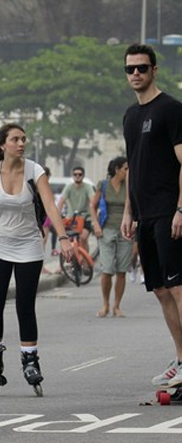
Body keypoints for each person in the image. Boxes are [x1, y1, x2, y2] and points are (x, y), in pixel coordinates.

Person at [0, 123, 72, 394]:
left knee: (24, 304)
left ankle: (30, 359)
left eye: (23, 139)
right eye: (15, 139)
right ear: (2, 145)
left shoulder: (36, 171)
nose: (21, 143)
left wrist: (64, 237)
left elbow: (49, 206)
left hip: (29, 246)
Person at [122, 43, 182, 387]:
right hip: (144, 215)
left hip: (168, 212)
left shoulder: (172, 109)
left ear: (154, 70)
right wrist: (128, 212)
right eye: (130, 69)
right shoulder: (130, 115)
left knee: (178, 289)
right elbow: (133, 166)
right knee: (160, 289)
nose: (135, 75)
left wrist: (180, 209)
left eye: (142, 68)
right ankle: (180, 357)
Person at [90, 156, 132, 318]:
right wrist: (95, 224)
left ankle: (117, 306)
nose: (128, 172)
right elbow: (93, 206)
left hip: (125, 230)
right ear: (117, 169)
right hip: (106, 229)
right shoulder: (104, 184)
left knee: (122, 270)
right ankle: (106, 304)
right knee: (107, 269)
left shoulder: (129, 185)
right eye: (125, 168)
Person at [57, 166, 95, 253]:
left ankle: (85, 262)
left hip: (85, 218)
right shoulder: (69, 187)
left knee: (83, 238)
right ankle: (70, 262)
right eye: (75, 174)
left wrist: (94, 213)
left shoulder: (87, 187)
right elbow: (61, 201)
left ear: (83, 176)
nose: (77, 176)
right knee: (67, 239)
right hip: (71, 218)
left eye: (80, 174)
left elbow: (93, 200)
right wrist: (58, 215)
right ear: (72, 176)